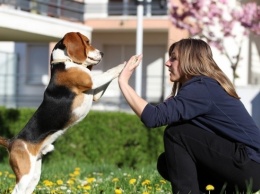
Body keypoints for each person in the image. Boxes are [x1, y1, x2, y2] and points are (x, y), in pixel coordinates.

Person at [118, 38, 260, 194]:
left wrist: (123, 82)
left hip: (250, 165)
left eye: (174, 58)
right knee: (167, 163)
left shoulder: (201, 87)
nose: (167, 63)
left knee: (176, 133)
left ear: (189, 60)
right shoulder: (203, 86)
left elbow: (153, 117)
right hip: (246, 167)